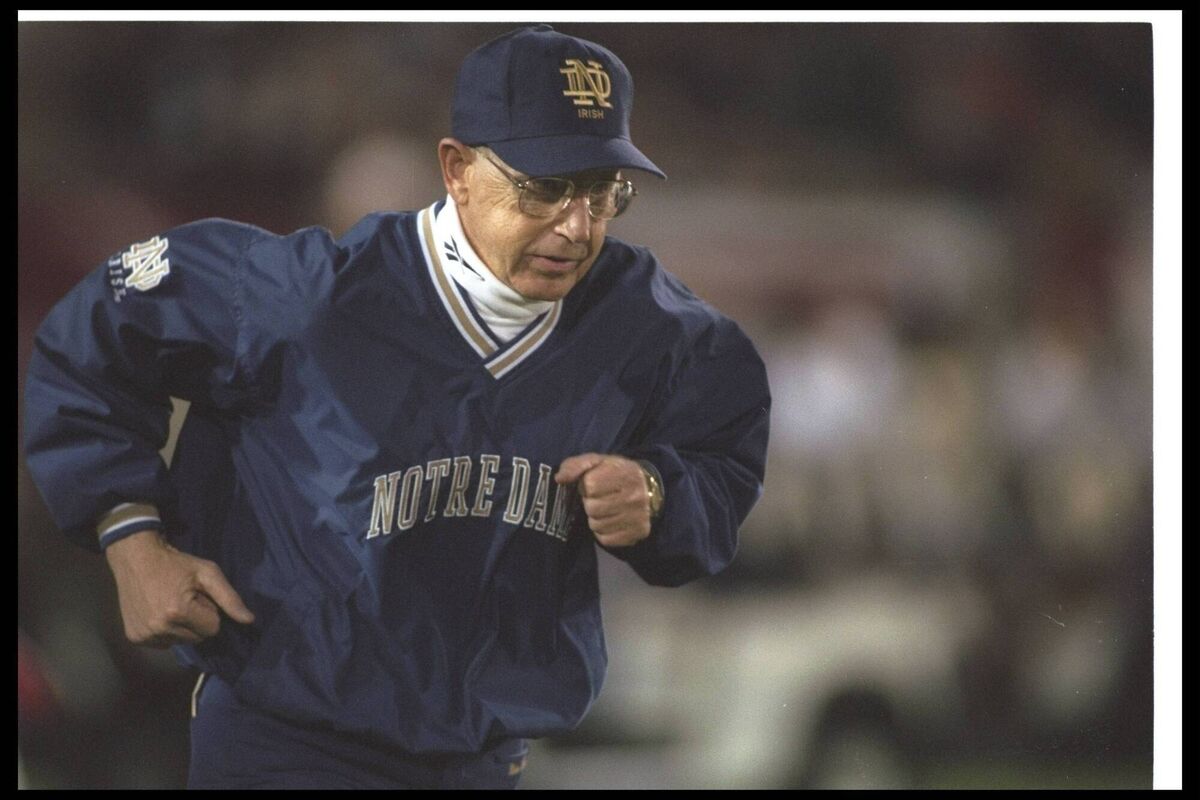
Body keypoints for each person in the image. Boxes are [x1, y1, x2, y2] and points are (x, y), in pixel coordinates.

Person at [23, 24, 770, 789]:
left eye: (602, 191)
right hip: (286, 748)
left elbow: (722, 455)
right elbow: (94, 335)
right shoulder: (308, 297)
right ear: (458, 169)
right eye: (542, 188)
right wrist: (129, 535)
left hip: (483, 760)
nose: (576, 226)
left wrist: (658, 494)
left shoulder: (649, 326)